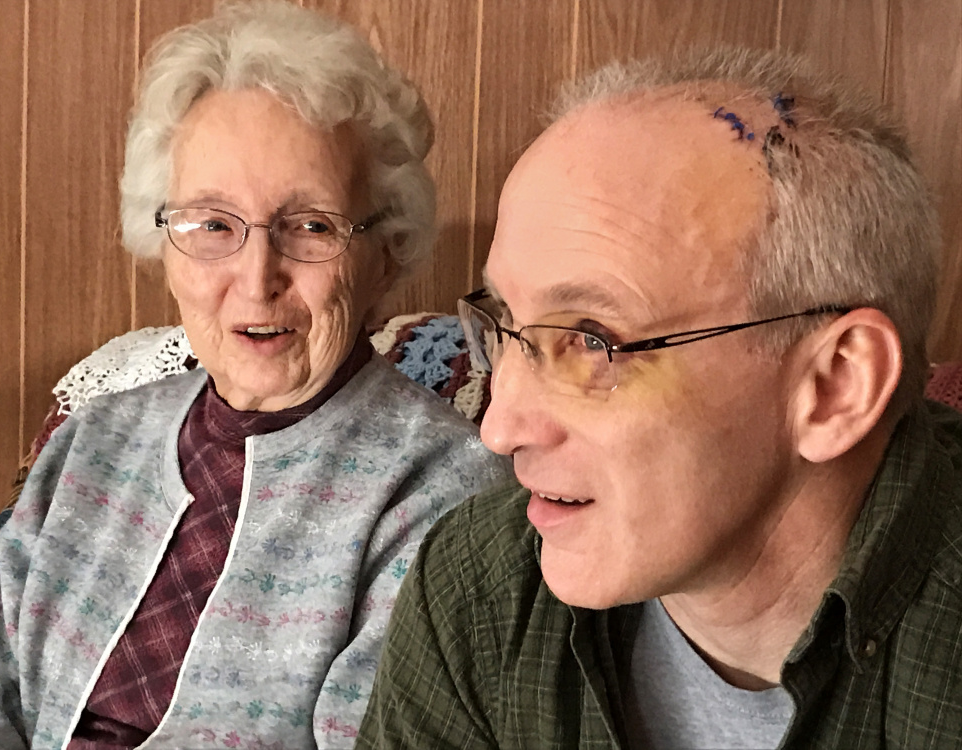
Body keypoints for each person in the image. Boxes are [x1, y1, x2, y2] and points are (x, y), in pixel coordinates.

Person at [356, 46, 962, 749]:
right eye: (506, 326)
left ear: (835, 387)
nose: (498, 427)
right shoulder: (480, 588)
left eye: (590, 340)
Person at [0, 3, 512, 748]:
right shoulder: (96, 437)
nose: (257, 282)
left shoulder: (445, 495)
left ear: (385, 253)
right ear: (163, 243)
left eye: (312, 226)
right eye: (213, 225)